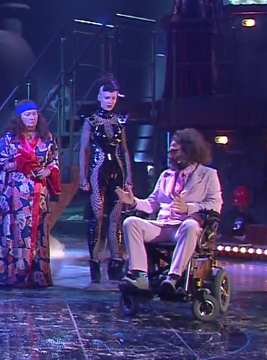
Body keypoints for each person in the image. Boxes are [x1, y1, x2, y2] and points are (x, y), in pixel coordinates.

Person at [116, 128, 223, 294]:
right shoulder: (166, 175)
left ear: (188, 152)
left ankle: (173, 277)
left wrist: (189, 208)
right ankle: (139, 276)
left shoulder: (208, 175)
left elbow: (215, 204)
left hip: (184, 228)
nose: (169, 154)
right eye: (169, 151)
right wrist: (133, 202)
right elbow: (151, 204)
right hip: (163, 225)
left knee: (190, 225)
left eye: (174, 151)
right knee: (131, 223)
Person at [0, 100, 61, 287]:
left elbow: (54, 161)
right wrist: (20, 164)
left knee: (37, 233)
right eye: (27, 114)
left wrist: (48, 171)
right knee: (16, 232)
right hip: (15, 196)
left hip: (39, 194)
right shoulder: (9, 139)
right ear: (19, 117)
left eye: (34, 114)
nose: (32, 118)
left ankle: (37, 276)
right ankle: (14, 275)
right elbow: (0, 164)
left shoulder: (47, 138)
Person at [79, 74, 132, 283]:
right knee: (97, 216)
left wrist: (129, 177)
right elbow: (84, 149)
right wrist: (82, 176)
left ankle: (116, 262)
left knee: (115, 218)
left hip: (117, 171)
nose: (110, 101)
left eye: (113, 98)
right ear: (99, 97)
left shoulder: (120, 121)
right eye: (107, 97)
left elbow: (125, 150)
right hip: (97, 172)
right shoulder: (91, 121)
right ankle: (94, 263)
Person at [165, 0, 224, 98]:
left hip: (204, 28)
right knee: (187, 60)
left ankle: (205, 89)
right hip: (186, 30)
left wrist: (218, 23)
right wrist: (175, 19)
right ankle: (187, 89)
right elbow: (177, 7)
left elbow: (217, 5)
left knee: (204, 59)